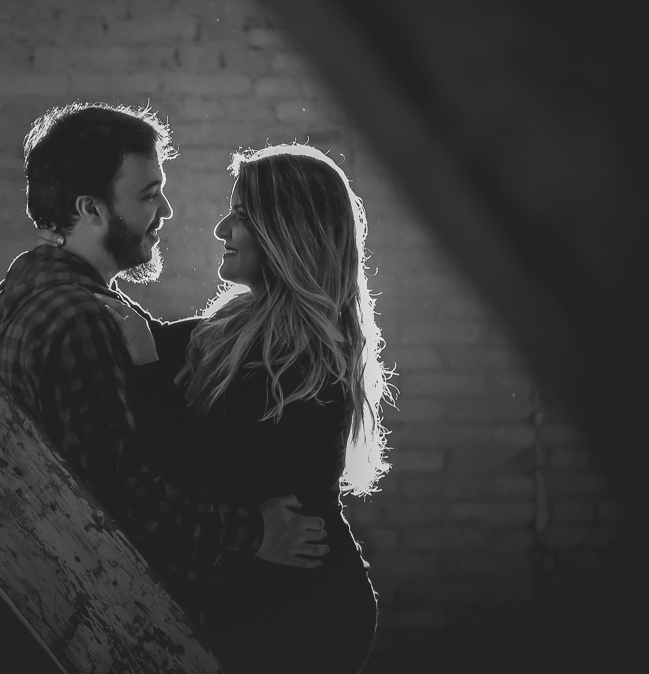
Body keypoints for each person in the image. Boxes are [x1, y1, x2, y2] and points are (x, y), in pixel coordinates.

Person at [0, 103, 331, 673]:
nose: (165, 211)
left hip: (32, 612)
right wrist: (254, 531)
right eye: (147, 194)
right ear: (91, 208)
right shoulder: (86, 319)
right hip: (76, 629)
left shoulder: (22, 292)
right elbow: (125, 497)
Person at [48, 143, 393, 673]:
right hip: (257, 601)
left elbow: (208, 466)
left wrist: (144, 370)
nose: (220, 229)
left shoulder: (309, 357)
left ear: (287, 232)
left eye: (241, 215)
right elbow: (156, 340)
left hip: (306, 613)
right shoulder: (238, 327)